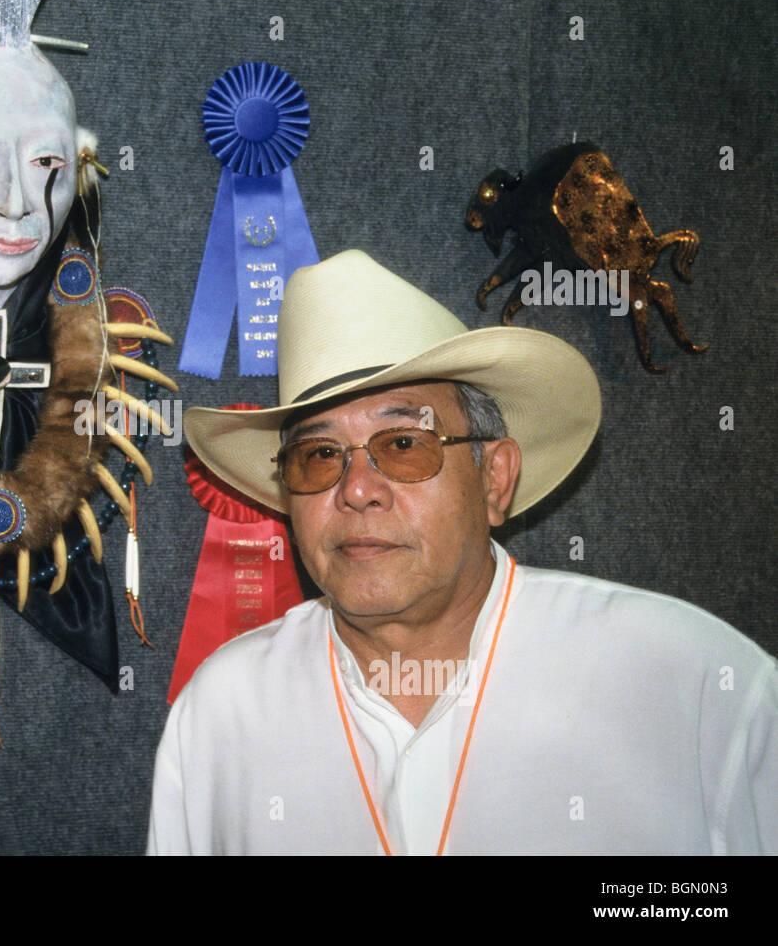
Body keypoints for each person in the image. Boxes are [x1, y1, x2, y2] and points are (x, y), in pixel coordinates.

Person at [148, 249, 777, 855]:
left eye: (402, 445)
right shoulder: (221, 716)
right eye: (318, 455)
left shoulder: (690, 685)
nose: (358, 490)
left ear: (494, 479)